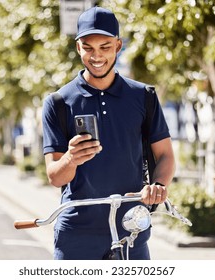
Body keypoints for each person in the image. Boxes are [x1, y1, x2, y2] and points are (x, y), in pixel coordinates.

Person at [42, 6, 175, 260]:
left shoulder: (143, 96)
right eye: (89, 48)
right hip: (76, 235)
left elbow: (166, 155)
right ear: (78, 47)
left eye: (105, 46)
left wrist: (158, 185)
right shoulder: (58, 102)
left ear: (118, 45)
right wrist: (71, 158)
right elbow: (55, 177)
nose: (97, 56)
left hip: (131, 229)